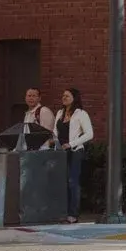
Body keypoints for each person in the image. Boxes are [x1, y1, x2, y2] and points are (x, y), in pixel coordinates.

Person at [51, 88, 95, 223]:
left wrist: (71, 144)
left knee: (73, 181)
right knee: (61, 182)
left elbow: (89, 134)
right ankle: (62, 212)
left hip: (75, 151)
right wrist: (53, 141)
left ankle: (73, 214)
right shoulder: (59, 113)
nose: (64, 97)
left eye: (67, 96)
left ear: (74, 98)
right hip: (60, 152)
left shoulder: (81, 114)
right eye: (63, 95)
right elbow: (55, 132)